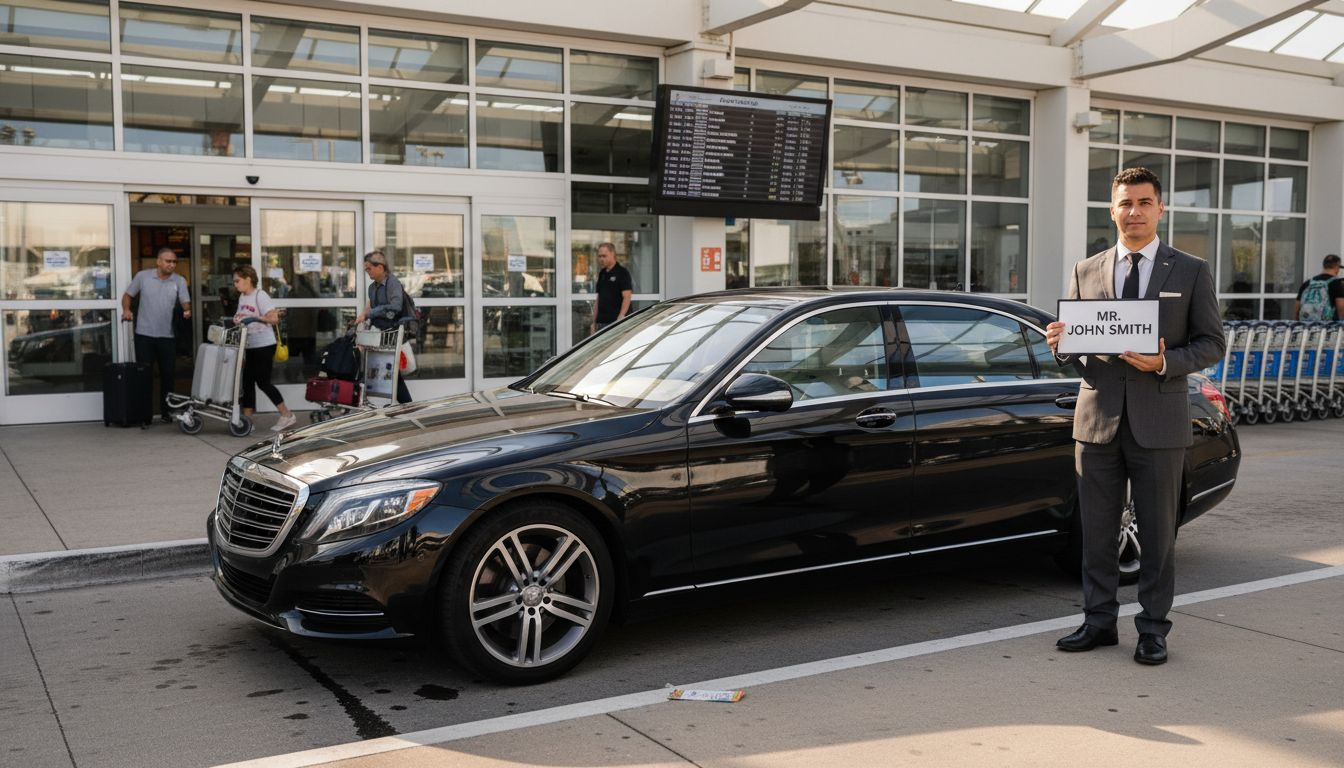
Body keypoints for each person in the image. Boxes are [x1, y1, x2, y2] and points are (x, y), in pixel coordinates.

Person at [1045, 167, 1224, 666]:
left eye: (1144, 203)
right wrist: (1062, 346)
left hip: (1160, 423)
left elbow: (1212, 343)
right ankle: (1098, 622)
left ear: (1160, 208)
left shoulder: (1189, 270)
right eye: (1125, 203)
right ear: (1111, 209)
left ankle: (1152, 630)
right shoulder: (1087, 269)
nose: (1134, 212)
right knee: (1097, 532)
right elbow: (1082, 351)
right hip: (1097, 420)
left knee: (1158, 534)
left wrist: (1165, 362)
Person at [121, 247, 190, 423]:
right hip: (144, 334)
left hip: (167, 336)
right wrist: (126, 309)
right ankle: (145, 415)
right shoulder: (143, 277)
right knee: (145, 375)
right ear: (158, 261)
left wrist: (187, 310)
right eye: (168, 261)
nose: (172, 265)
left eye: (174, 262)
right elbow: (128, 295)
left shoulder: (179, 280)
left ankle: (166, 412)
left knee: (168, 375)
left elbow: (185, 301)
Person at [232, 265, 297, 432]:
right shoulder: (242, 297)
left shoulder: (260, 296)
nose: (235, 284)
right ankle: (247, 421)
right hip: (250, 344)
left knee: (262, 382)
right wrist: (238, 318)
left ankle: (287, 415)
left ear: (248, 279)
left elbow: (274, 318)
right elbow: (243, 315)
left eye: (237, 281)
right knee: (247, 382)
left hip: (264, 344)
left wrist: (254, 318)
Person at [355, 250, 412, 404]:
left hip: (392, 333)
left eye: (369, 268)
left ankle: (407, 404)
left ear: (380, 267)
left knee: (391, 371)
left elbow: (395, 306)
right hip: (378, 333)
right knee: (382, 369)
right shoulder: (372, 288)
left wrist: (371, 313)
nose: (367, 271)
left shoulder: (393, 283)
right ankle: (406, 404)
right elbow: (371, 307)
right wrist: (363, 317)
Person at [589, 242, 632, 335]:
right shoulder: (602, 273)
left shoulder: (622, 273)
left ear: (613, 254)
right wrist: (593, 322)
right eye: (599, 256)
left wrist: (621, 317)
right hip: (600, 323)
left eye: (604, 256)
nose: (601, 259)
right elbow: (599, 299)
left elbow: (627, 297)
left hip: (615, 323)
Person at [1293, 254, 1344, 321]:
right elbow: (1342, 310)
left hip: (1307, 327)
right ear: (1337, 267)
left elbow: (1297, 310)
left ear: (1323, 265)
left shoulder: (1307, 283)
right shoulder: (1337, 284)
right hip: (1327, 328)